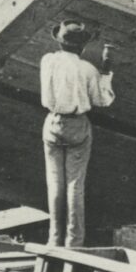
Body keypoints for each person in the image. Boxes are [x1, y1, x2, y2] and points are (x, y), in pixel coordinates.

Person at [40, 21, 115, 247]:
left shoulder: (48, 61)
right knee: (75, 185)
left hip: (52, 122)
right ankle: (74, 242)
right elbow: (103, 100)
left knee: (54, 184)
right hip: (77, 124)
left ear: (59, 41)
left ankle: (54, 240)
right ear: (82, 47)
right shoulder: (88, 69)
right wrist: (105, 75)